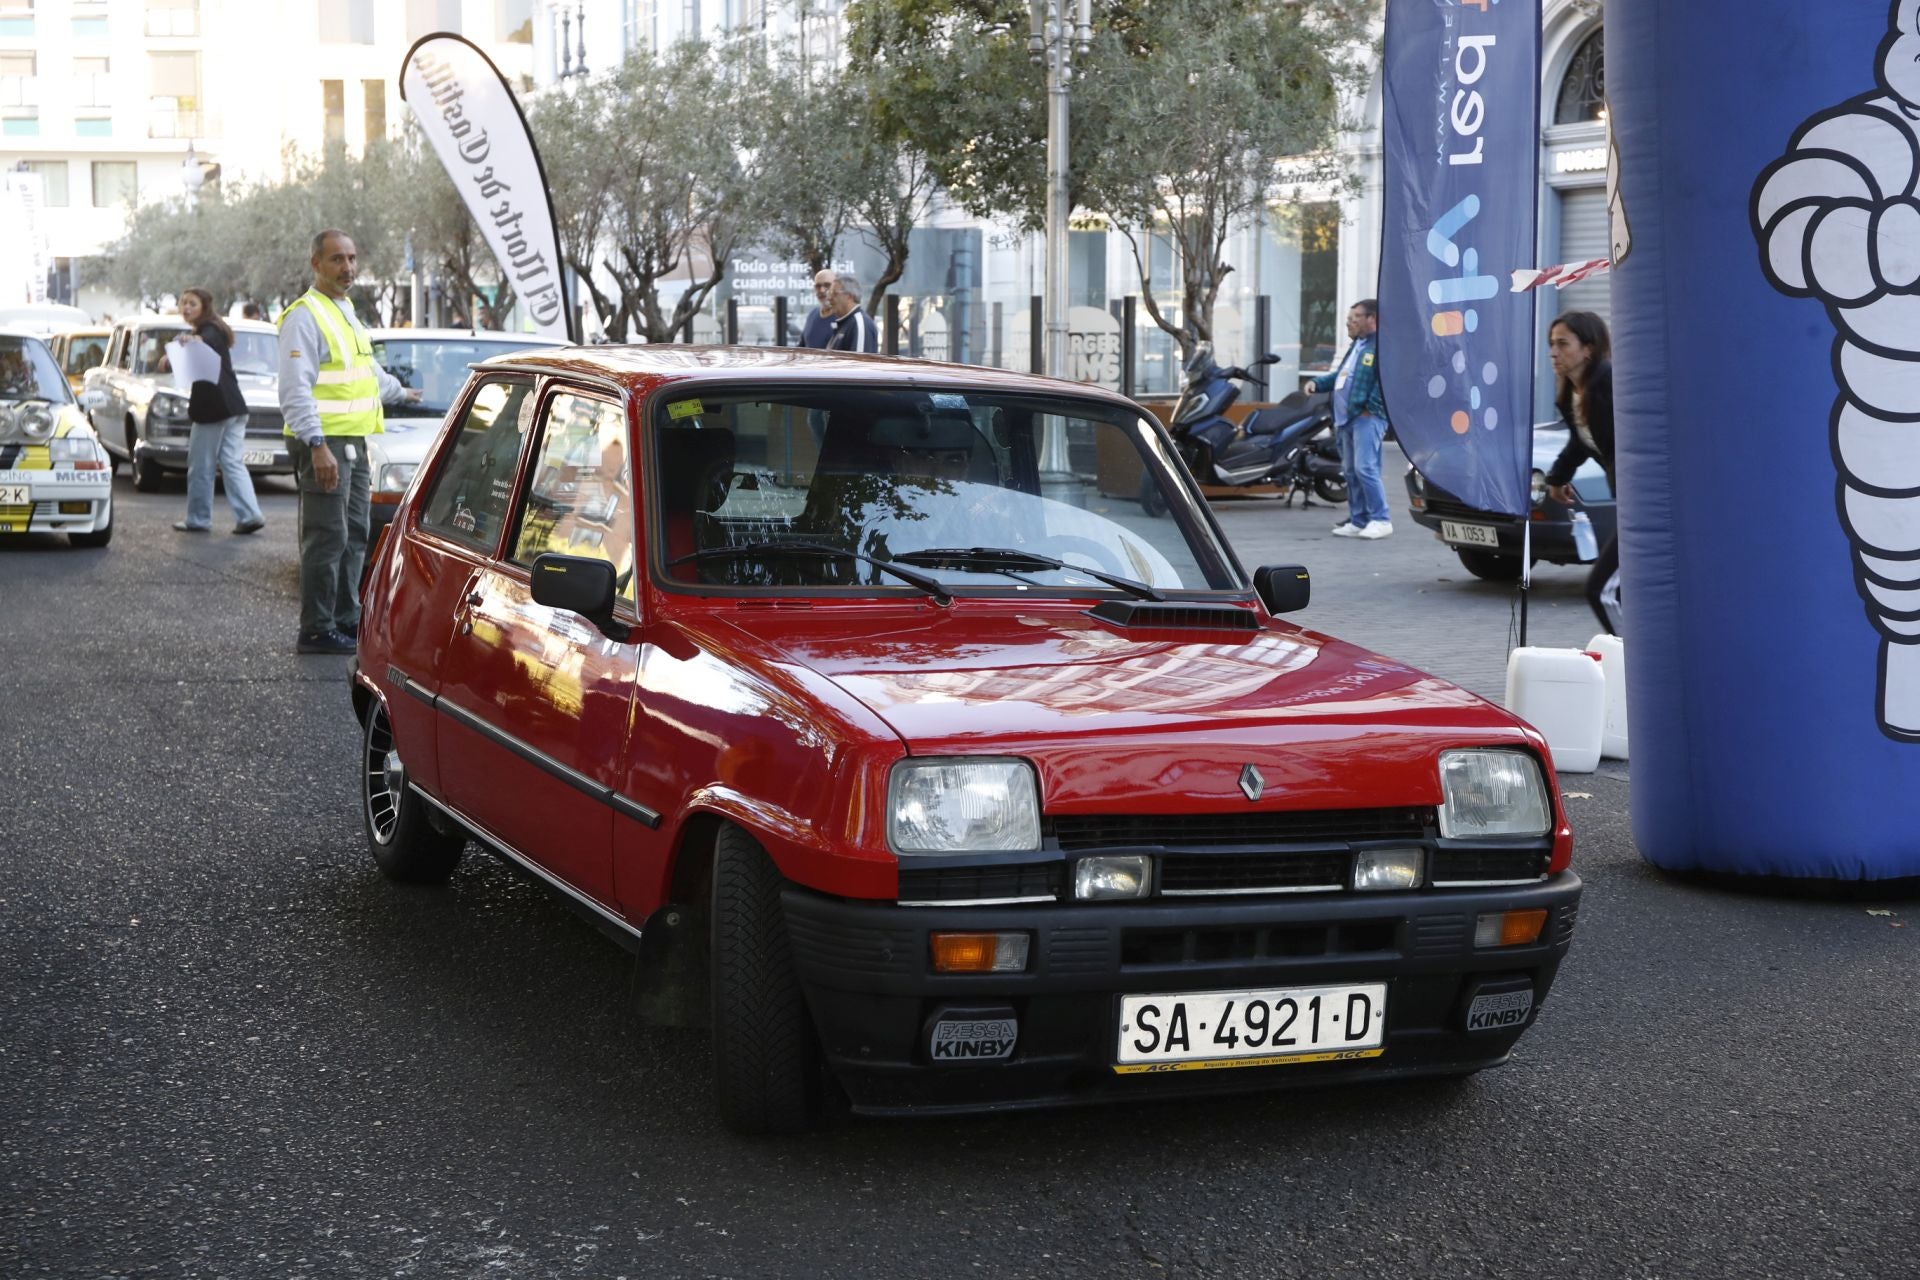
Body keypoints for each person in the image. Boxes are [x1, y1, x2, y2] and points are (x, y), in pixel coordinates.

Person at [279, 229, 420, 655]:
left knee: (355, 532)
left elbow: (367, 374)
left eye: (353, 259)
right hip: (325, 443)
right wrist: (317, 444)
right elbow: (294, 390)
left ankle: (346, 617)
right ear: (316, 264)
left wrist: (402, 393)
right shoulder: (304, 316)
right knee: (327, 535)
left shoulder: (344, 311)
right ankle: (317, 628)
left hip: (354, 441)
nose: (348, 268)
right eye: (337, 259)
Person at [1543, 310, 1620, 634]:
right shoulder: (1573, 394)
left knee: (1604, 590)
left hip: (1649, 506)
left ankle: (1636, 670)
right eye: (1551, 344)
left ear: (1588, 348)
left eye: (1563, 343)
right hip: (1629, 502)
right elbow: (1580, 441)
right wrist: (1558, 479)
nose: (1554, 352)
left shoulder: (1610, 385)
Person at [172, 287, 265, 536]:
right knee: (232, 462)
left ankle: (198, 518)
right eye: (183, 303)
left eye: (192, 303)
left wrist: (192, 340)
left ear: (205, 306)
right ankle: (250, 515)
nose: (186, 308)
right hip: (233, 406)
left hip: (213, 410)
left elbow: (207, 341)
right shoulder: (214, 328)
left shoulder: (209, 330)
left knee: (200, 465)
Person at [1312, 299, 1392, 539]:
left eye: (1356, 316)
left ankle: (1381, 519)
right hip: (1346, 418)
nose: (1350, 321)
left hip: (1366, 418)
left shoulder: (1382, 345)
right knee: (1350, 470)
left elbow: (1386, 380)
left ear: (1372, 319)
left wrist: (1371, 408)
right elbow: (1341, 375)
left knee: (1365, 468)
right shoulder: (1358, 345)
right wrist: (1317, 383)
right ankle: (1359, 519)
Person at [825, 272, 880, 353]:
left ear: (850, 296)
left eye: (834, 293)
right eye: (829, 293)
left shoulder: (860, 324)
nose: (829, 298)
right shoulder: (844, 323)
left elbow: (859, 363)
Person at [801, 269, 839, 348]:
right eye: (818, 286)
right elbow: (801, 348)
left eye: (827, 285)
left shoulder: (843, 317)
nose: (822, 290)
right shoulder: (812, 315)